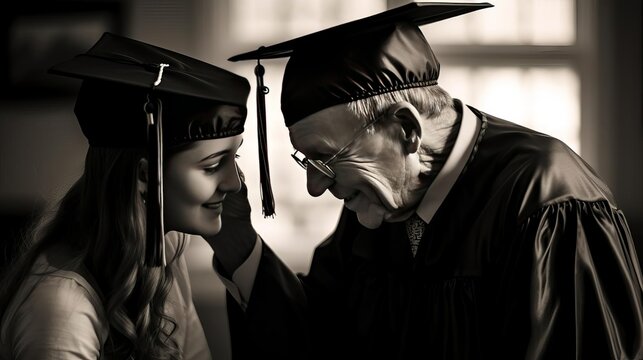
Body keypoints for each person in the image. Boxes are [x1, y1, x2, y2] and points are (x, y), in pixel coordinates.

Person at [207, 2, 643, 360]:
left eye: (326, 158)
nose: (316, 188)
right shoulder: (378, 197)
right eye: (308, 162)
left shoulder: (547, 201)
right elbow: (321, 338)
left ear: (405, 130)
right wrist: (237, 243)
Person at [0, 32, 250, 359]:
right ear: (146, 176)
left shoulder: (163, 254)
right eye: (213, 165)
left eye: (236, 158)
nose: (235, 184)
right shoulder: (62, 312)